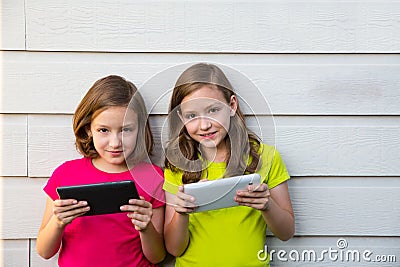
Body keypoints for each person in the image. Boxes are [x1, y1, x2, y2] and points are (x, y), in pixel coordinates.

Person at [162, 63, 295, 267]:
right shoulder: (178, 166)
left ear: (232, 106)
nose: (204, 125)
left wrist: (267, 206)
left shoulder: (266, 158)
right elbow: (174, 248)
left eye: (213, 110)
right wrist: (181, 213)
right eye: (191, 116)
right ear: (181, 117)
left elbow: (286, 232)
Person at [36, 75, 166, 267]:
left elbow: (157, 257)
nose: (115, 143)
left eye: (126, 130)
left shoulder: (152, 177)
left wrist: (146, 228)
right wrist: (58, 221)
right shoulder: (65, 175)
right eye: (103, 130)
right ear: (89, 129)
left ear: (139, 129)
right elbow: (44, 251)